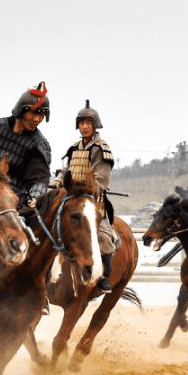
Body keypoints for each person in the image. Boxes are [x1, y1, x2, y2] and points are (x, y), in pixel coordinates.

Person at [64, 100, 116, 292]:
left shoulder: (102, 149)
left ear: (95, 126)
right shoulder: (74, 148)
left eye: (88, 123)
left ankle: (104, 277)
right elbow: (66, 171)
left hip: (94, 201)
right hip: (71, 198)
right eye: (81, 123)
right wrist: (57, 182)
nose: (84, 127)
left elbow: (101, 178)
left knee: (102, 237)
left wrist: (85, 187)